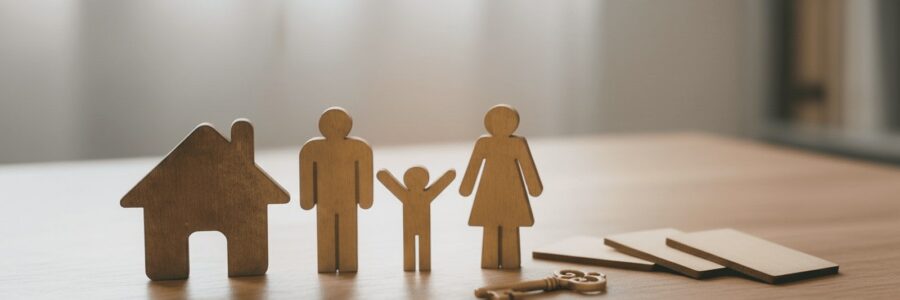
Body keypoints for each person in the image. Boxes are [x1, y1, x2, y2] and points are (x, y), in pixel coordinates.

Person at [459, 104, 543, 269]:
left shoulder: (516, 144)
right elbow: (473, 168)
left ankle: (509, 262)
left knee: (508, 226)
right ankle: (494, 262)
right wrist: (466, 187)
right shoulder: (484, 144)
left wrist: (466, 188)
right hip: (491, 192)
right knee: (492, 226)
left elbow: (528, 168)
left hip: (509, 192)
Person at [300, 107, 373, 273]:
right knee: (329, 231)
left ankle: (342, 264)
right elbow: (306, 174)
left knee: (344, 231)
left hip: (340, 200)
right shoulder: (311, 149)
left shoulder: (358, 148)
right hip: (331, 201)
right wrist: (308, 199)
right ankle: (332, 264)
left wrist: (308, 200)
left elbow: (364, 172)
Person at [377, 167, 455, 271]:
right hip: (418, 226)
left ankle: (416, 266)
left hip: (414, 226)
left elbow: (391, 184)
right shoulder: (422, 195)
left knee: (418, 246)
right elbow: (440, 185)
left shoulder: (406, 195)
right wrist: (450, 175)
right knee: (420, 246)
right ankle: (418, 266)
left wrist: (383, 175)